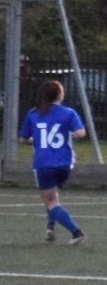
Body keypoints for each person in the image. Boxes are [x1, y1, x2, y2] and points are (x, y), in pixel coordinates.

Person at [19, 80, 88, 245]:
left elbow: (22, 139)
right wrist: (66, 135)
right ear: (59, 95)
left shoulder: (33, 114)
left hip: (43, 164)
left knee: (50, 200)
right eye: (62, 90)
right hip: (64, 164)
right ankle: (50, 227)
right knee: (52, 197)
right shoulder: (69, 113)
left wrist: (34, 140)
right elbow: (80, 134)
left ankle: (76, 232)